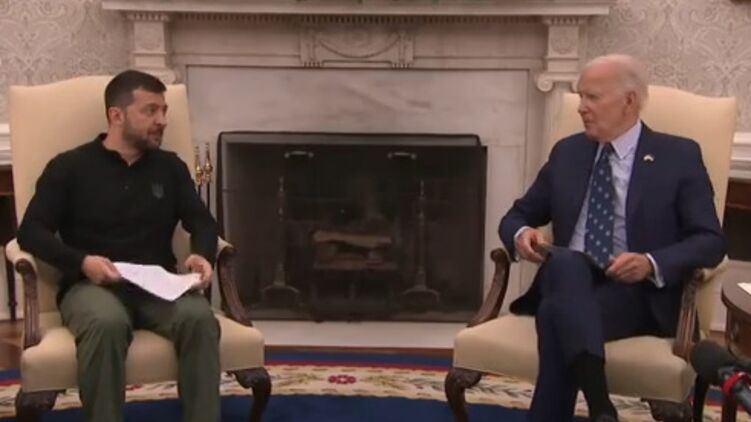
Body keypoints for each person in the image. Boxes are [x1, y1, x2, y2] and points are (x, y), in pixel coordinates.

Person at [498, 54, 725, 422]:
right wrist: (522, 235)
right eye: (580, 96)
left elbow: (710, 241)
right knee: (566, 263)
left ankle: (598, 407)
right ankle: (600, 405)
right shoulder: (568, 152)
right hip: (571, 278)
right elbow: (517, 216)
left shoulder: (678, 156)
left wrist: (650, 263)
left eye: (592, 97)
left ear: (629, 101)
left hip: (636, 295)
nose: (581, 108)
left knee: (556, 315)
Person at [17, 70, 220, 422]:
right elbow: (31, 231)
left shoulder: (170, 167)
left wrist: (202, 253)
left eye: (164, 111)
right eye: (150, 110)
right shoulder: (70, 167)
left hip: (158, 286)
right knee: (106, 322)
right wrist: (82, 262)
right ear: (116, 115)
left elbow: (202, 221)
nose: (162, 120)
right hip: (91, 285)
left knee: (199, 318)